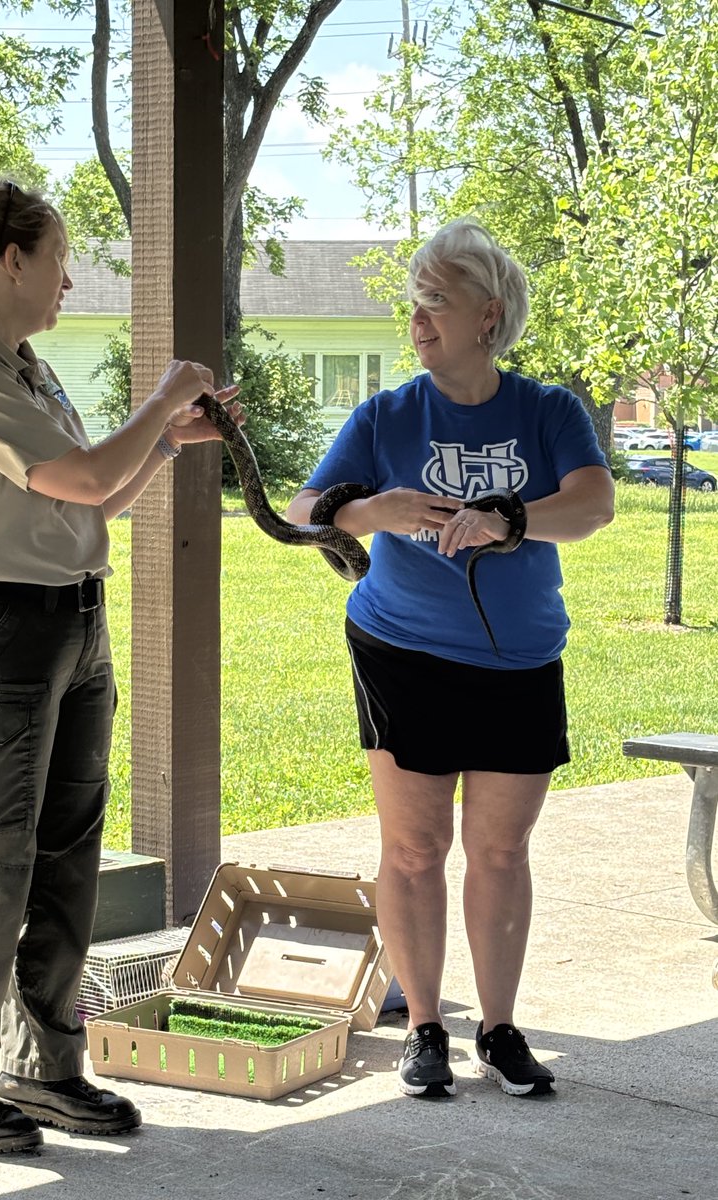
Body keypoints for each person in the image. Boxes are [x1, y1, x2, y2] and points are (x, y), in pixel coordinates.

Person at [0, 175, 240, 1154]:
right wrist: (163, 396)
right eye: (57, 258)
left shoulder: (25, 370)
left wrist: (166, 441)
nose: (68, 278)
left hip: (72, 628)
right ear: (12, 261)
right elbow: (84, 477)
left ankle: (44, 1069)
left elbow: (91, 500)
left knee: (66, 860)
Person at [286, 217, 614, 1100]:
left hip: (519, 659)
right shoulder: (388, 414)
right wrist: (373, 510)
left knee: (500, 851)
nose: (418, 319)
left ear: (488, 315)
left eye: (436, 300)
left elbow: (593, 505)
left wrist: (513, 519)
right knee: (415, 847)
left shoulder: (548, 411)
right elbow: (305, 508)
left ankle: (499, 1030)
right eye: (414, 302)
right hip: (403, 651)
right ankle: (424, 1026)